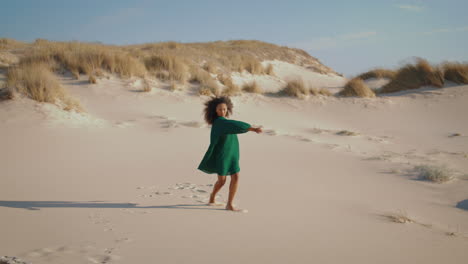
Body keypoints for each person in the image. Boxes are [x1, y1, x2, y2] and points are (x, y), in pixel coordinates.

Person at [197, 96, 262, 211]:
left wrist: (250, 129)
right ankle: (212, 196)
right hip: (222, 154)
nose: (223, 111)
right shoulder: (219, 122)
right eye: (220, 109)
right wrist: (252, 128)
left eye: (225, 109)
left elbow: (233, 126)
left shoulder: (225, 121)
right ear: (215, 111)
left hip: (233, 152)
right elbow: (237, 125)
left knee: (236, 176)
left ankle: (229, 204)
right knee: (222, 181)